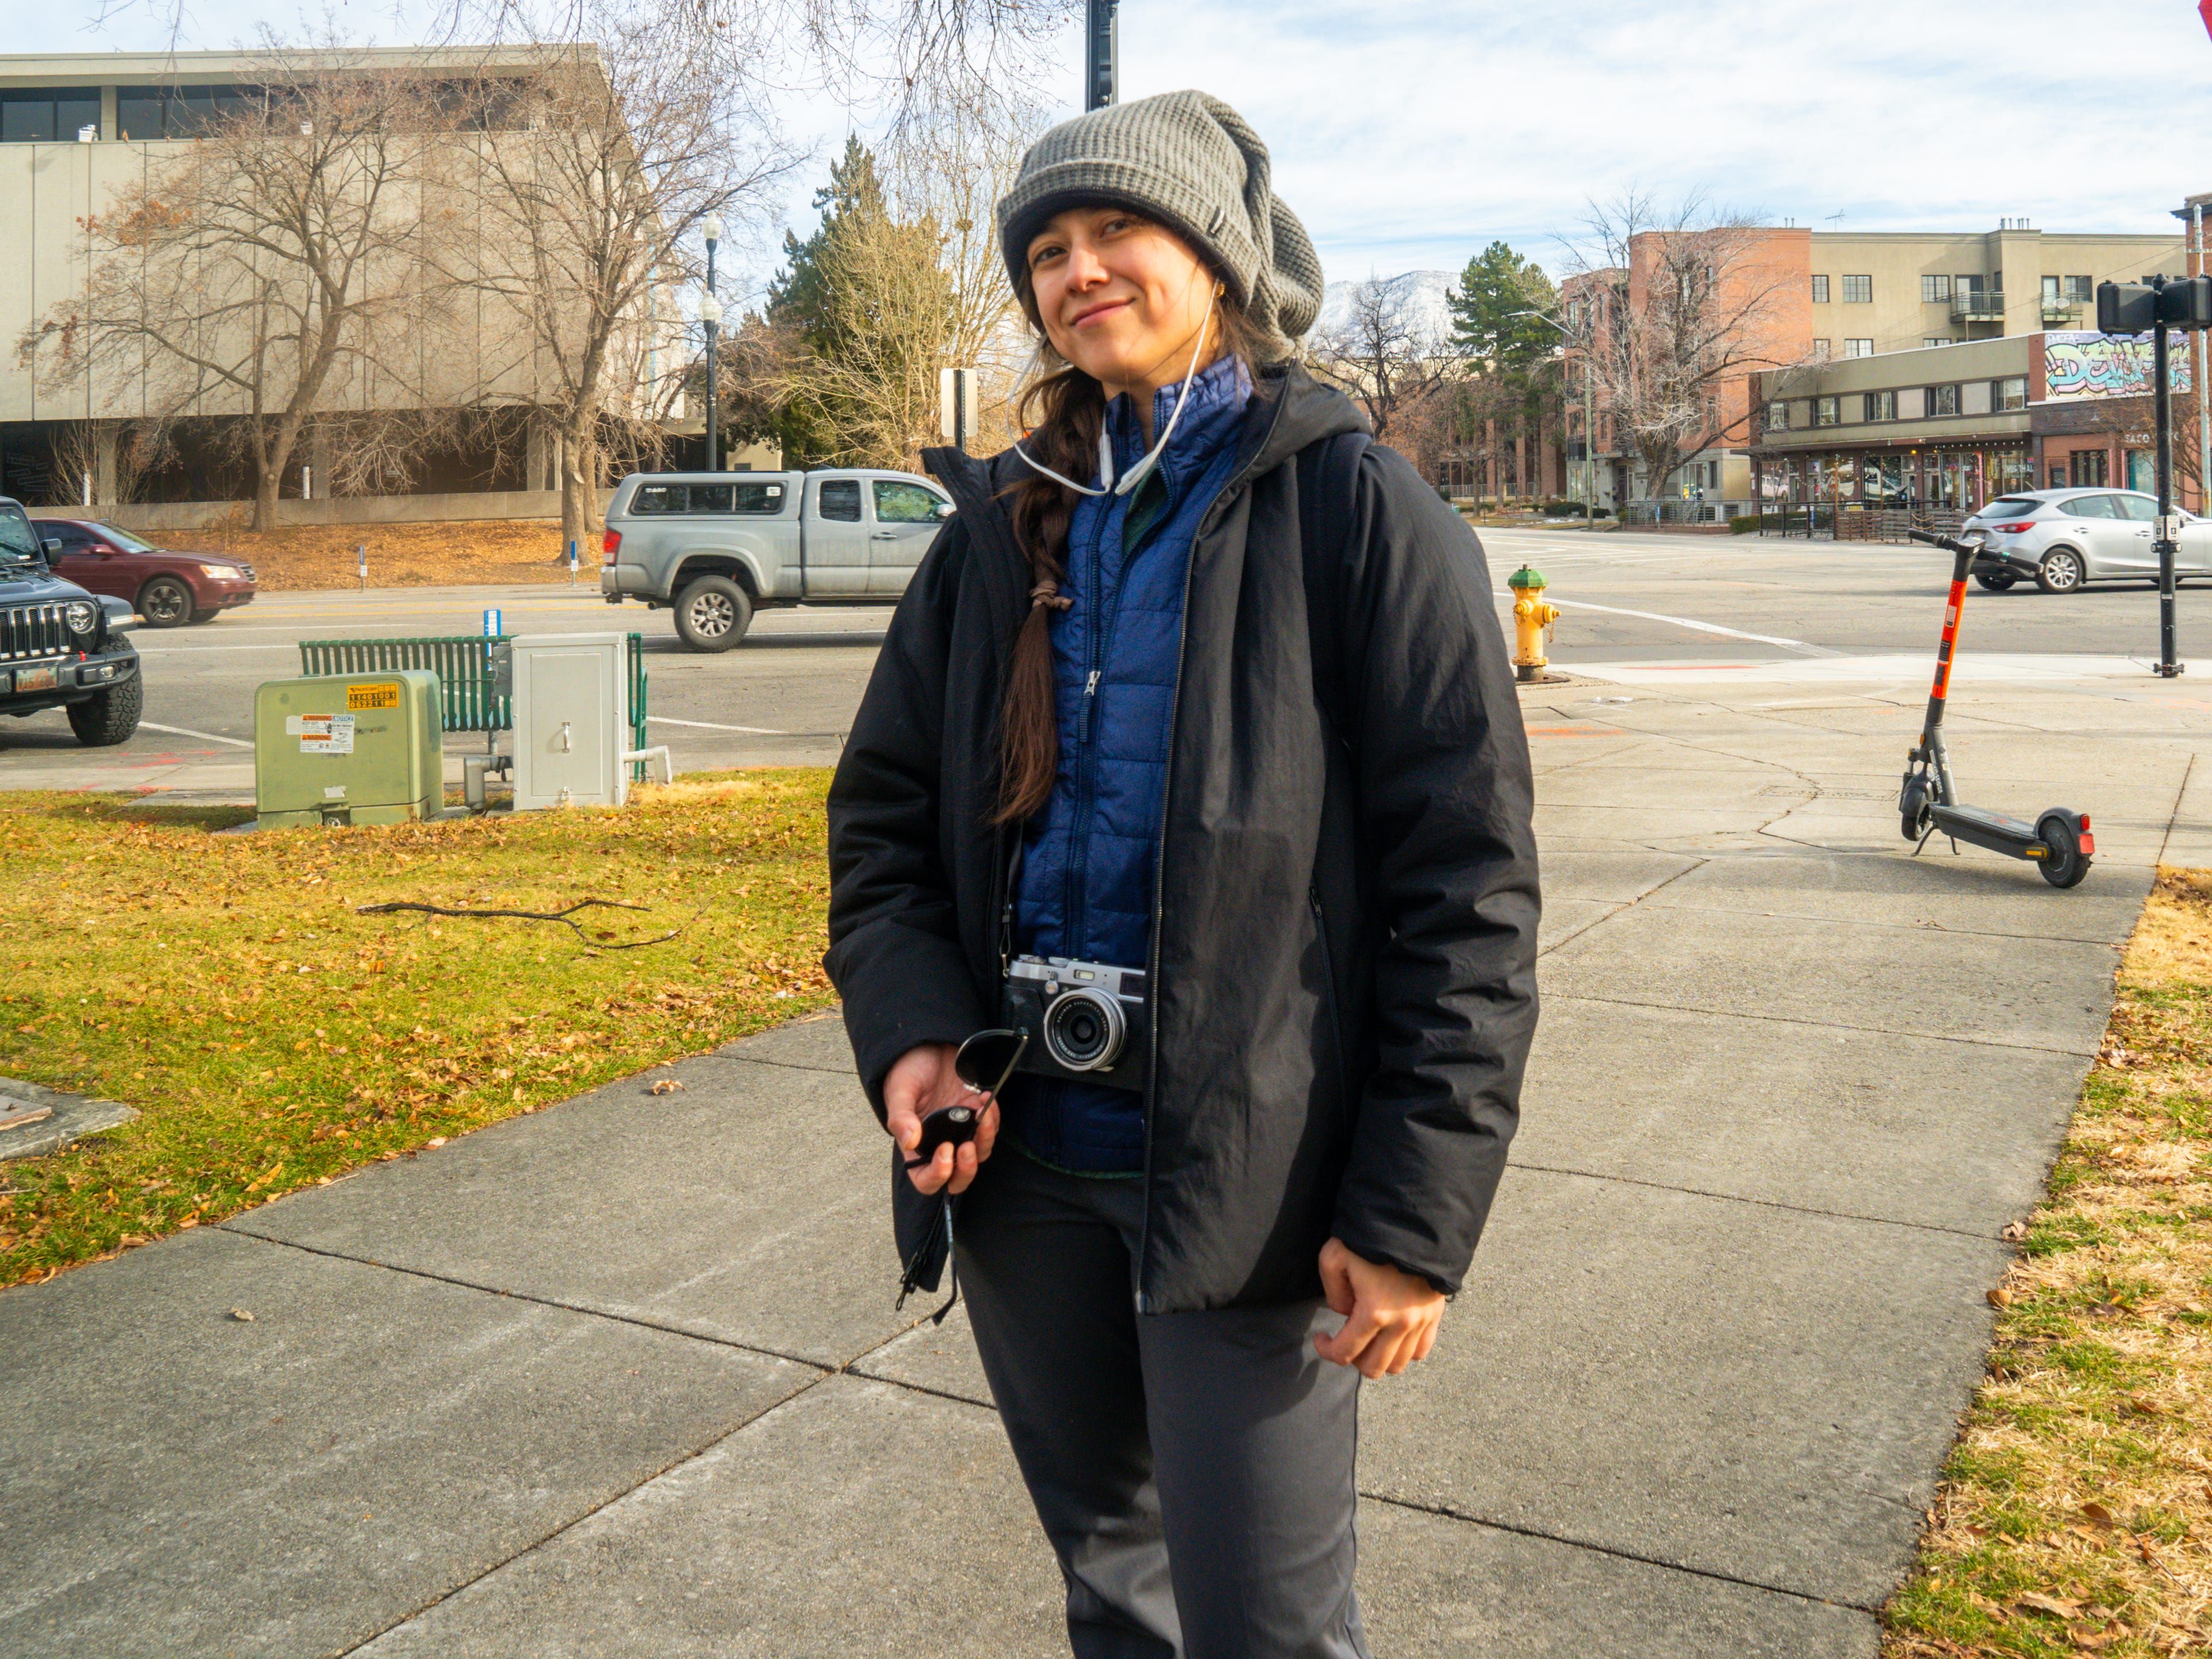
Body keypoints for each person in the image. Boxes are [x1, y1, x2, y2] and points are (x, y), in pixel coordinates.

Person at [825, 89, 1540, 1658]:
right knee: (1117, 1598)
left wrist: (1417, 1216)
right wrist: (918, 1032)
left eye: (1117, 232)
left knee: (1264, 1631)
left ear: (1216, 259)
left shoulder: (1359, 514)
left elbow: (1470, 896)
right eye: (1048, 249)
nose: (1079, 271)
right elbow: (881, 825)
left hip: (1247, 1186)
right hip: (1025, 1172)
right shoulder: (1000, 531)